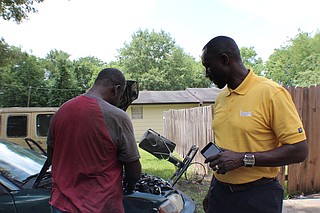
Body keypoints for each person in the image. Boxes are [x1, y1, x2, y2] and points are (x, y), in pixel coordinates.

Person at [201, 36, 308, 213]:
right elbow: (225, 153)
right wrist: (212, 190)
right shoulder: (221, 98)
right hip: (220, 194)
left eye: (209, 67)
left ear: (225, 60)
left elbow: (299, 150)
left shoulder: (271, 93)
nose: (207, 74)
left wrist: (243, 159)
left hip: (258, 197)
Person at [46, 68, 142, 213]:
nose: (119, 101)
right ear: (116, 90)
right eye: (121, 95)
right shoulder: (116, 116)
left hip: (60, 205)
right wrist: (130, 185)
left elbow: (52, 157)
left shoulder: (61, 112)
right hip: (98, 206)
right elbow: (133, 170)